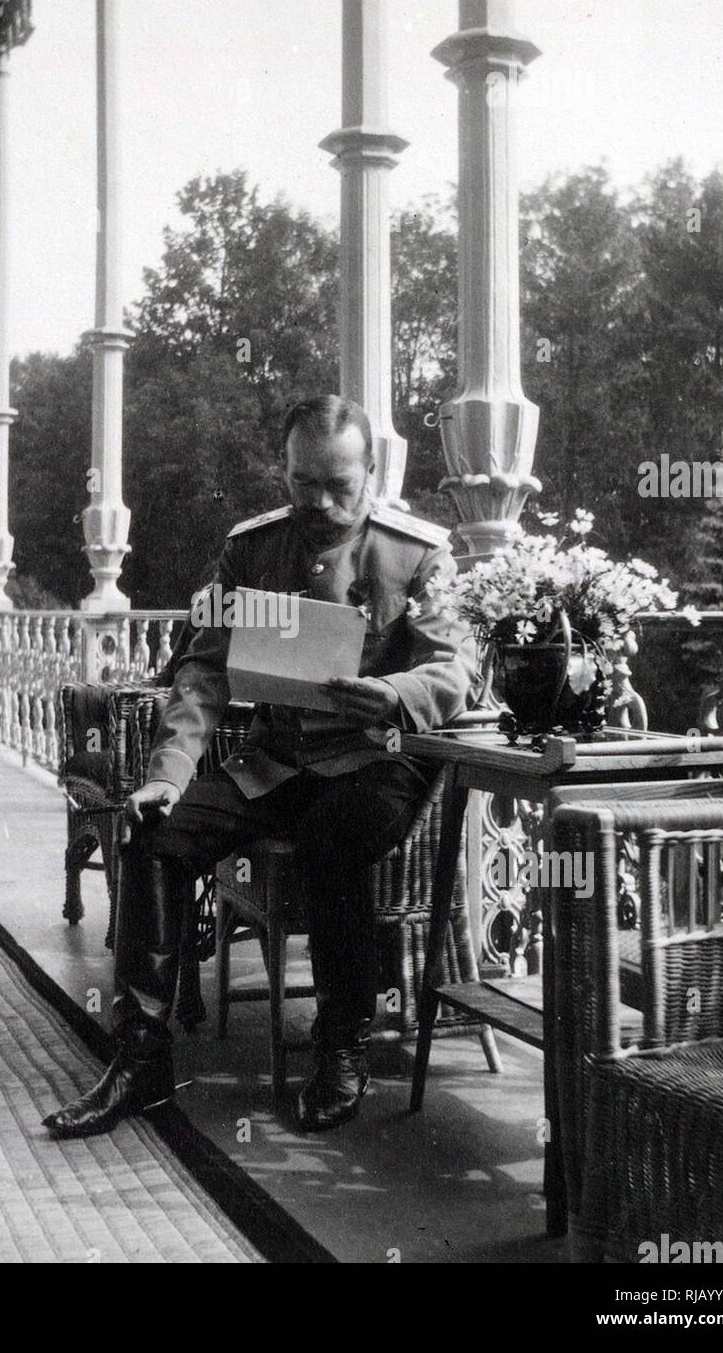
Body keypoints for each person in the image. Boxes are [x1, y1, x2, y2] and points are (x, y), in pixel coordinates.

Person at [43, 395, 477, 1138]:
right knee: (152, 829)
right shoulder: (251, 552)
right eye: (302, 484)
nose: (320, 502)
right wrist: (167, 773)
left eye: (339, 484)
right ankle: (141, 1057)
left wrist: (388, 694)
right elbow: (202, 673)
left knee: (334, 837)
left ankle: (343, 1042)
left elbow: (454, 670)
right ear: (284, 473)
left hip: (379, 762)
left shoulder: (418, 553)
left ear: (372, 472)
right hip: (277, 764)